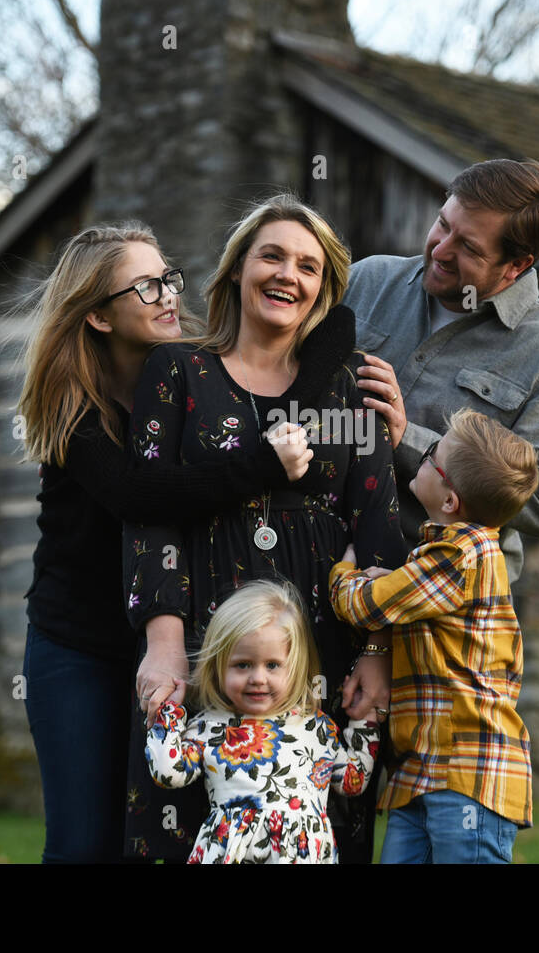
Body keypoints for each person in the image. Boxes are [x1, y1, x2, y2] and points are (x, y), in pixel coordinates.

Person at [16, 223, 341, 863]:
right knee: (84, 841)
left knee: (163, 829)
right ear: (100, 318)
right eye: (144, 287)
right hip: (79, 645)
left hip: (178, 635)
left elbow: (336, 328)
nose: (167, 294)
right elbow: (142, 495)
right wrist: (263, 466)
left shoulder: (195, 375)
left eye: (167, 277)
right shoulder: (72, 406)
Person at [122, 194, 406, 863]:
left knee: (320, 830)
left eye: (307, 266)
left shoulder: (349, 388)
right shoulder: (178, 373)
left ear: (323, 288)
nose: (288, 274)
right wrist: (163, 643)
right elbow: (149, 512)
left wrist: (376, 652)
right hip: (203, 640)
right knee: (175, 822)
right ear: (237, 271)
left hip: (318, 649)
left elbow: (377, 526)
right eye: (272, 255)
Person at [343, 157, 539, 586]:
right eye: (443, 224)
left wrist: (412, 442)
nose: (440, 249)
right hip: (317, 559)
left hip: (434, 608)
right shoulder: (365, 281)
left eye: (469, 248)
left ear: (516, 266)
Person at [329, 408, 539, 864]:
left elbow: (362, 604)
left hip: (468, 779)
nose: (419, 458)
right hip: (420, 774)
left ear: (450, 501)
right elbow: (405, 596)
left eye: (430, 456)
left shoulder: (460, 556)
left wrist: (344, 569)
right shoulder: (443, 557)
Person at [145, 580, 378, 864]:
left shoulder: (315, 727)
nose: (258, 678)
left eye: (272, 665)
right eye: (243, 665)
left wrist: (365, 721)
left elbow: (352, 782)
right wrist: (170, 713)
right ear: (219, 666)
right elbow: (168, 773)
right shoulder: (210, 726)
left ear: (295, 667)